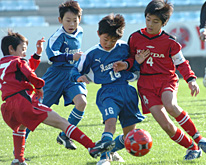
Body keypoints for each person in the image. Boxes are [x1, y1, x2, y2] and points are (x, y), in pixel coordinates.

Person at [113, 0, 206, 161]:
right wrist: (127, 63)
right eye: (148, 19)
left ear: (163, 23)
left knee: (171, 105)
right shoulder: (135, 38)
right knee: (166, 125)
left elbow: (181, 63)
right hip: (146, 86)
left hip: (166, 80)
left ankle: (199, 139)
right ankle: (192, 147)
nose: (150, 24)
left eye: (155, 21)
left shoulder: (170, 41)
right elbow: (131, 61)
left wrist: (191, 79)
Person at [0, 30, 115, 165]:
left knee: (21, 128)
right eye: (23, 49)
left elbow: (24, 69)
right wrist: (39, 86)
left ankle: (18, 159)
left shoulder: (3, 64)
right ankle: (91, 146)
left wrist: (37, 54)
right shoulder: (19, 61)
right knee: (61, 122)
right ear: (11, 49)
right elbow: (29, 73)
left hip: (8, 107)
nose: (24, 53)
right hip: (23, 102)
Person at [70, 13, 145, 165]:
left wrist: (133, 63)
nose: (109, 43)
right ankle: (104, 159)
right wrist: (79, 77)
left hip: (128, 92)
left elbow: (134, 66)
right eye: (106, 39)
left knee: (129, 135)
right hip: (107, 93)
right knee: (110, 123)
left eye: (113, 40)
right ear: (98, 34)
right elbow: (74, 70)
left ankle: (110, 151)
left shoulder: (124, 48)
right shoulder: (91, 54)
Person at [25, 0, 88, 150]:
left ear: (79, 19)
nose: (72, 24)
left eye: (75, 20)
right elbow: (53, 56)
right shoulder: (57, 36)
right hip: (56, 76)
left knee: (82, 102)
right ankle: (20, 144)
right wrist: (71, 57)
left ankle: (65, 135)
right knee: (37, 111)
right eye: (68, 20)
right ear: (60, 20)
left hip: (72, 74)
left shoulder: (81, 31)